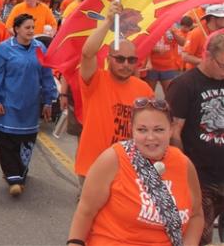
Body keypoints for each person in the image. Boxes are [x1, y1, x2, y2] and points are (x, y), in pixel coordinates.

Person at [67, 98, 203, 246]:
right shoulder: (113, 159)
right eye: (142, 130)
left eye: (159, 129)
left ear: (171, 130)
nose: (150, 137)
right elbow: (85, 211)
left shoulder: (183, 164)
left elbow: (196, 215)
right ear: (131, 129)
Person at [75, 0, 154, 180]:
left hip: (128, 170)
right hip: (93, 169)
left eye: (131, 60)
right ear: (109, 58)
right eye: (120, 59)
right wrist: (108, 21)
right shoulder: (95, 80)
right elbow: (88, 53)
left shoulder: (144, 89)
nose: (126, 64)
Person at [0, 13, 57, 196]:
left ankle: (19, 174)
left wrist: (49, 100)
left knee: (26, 141)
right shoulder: (4, 49)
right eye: (27, 28)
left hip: (30, 105)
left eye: (32, 28)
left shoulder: (39, 48)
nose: (30, 31)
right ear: (16, 29)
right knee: (7, 141)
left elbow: (46, 76)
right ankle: (13, 177)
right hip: (8, 104)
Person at [167, 32, 224, 244]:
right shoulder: (184, 85)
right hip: (200, 177)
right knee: (199, 236)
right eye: (222, 65)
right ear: (207, 56)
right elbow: (174, 131)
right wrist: (182, 169)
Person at [144, 26, 185, 92]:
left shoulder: (172, 29)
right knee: (150, 93)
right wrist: (149, 60)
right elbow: (145, 46)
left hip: (168, 67)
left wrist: (174, 34)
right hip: (152, 67)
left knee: (169, 93)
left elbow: (183, 43)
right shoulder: (151, 29)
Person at [182, 4, 224, 68]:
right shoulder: (196, 33)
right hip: (198, 73)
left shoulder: (221, 32)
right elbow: (185, 56)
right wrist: (204, 62)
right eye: (223, 17)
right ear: (212, 18)